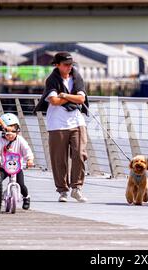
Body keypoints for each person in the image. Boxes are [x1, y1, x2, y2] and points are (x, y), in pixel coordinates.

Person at [34, 52, 89, 203]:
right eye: (66, 64)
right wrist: (71, 97)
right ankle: (63, 190)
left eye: (71, 64)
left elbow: (81, 98)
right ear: (57, 65)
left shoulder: (77, 77)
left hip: (77, 122)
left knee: (80, 154)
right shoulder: (51, 80)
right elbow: (53, 100)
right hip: (57, 124)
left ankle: (76, 188)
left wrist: (64, 95)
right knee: (59, 159)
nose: (69, 67)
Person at [0, 113, 34, 210]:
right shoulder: (1, 140)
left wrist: (29, 159)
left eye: (13, 131)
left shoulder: (20, 140)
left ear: (17, 130)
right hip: (4, 167)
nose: (10, 135)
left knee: (21, 185)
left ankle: (26, 197)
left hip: (17, 168)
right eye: (7, 132)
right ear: (3, 131)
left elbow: (27, 150)